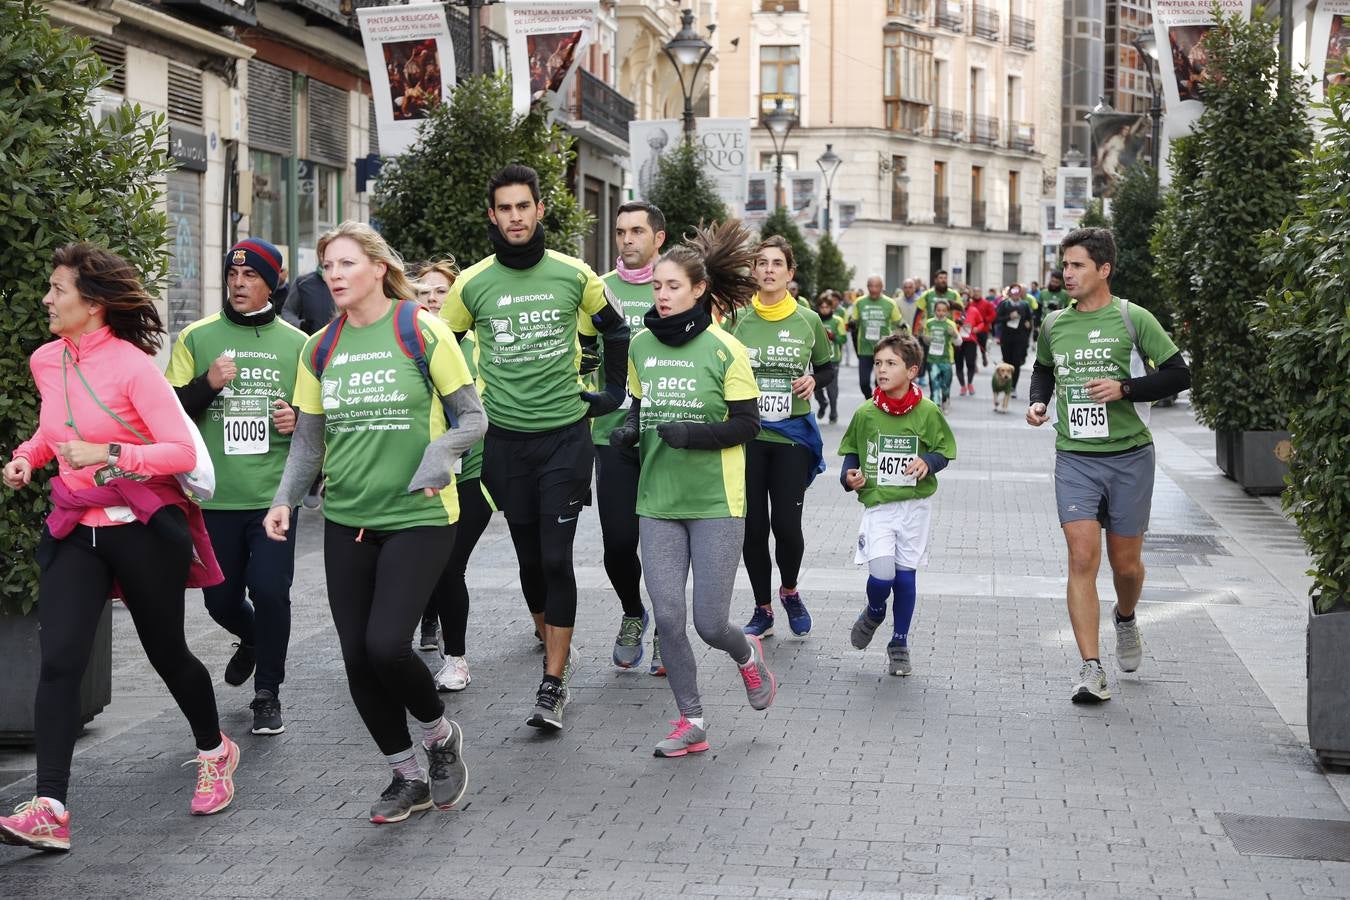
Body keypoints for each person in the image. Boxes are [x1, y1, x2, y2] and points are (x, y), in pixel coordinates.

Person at [1, 244, 237, 852]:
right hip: (78, 526)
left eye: (58, 289)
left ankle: (215, 749)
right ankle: (50, 806)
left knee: (166, 653)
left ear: (94, 303)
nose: (47, 300)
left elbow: (179, 453)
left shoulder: (134, 368)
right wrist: (30, 456)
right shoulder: (46, 361)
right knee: (59, 661)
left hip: (141, 526)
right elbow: (55, 429)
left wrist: (112, 455)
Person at [263, 222, 482, 822]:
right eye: (327, 265)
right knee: (357, 658)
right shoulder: (321, 348)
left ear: (378, 269)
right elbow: (309, 443)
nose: (333, 275)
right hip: (348, 517)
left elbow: (472, 418)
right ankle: (404, 774)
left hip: (420, 514)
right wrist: (284, 498)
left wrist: (439, 457)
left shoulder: (420, 329)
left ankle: (439, 736)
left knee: (388, 645)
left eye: (345, 264)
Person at [440, 164, 631, 730]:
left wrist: (611, 393)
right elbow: (440, 348)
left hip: (565, 439)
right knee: (529, 560)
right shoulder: (471, 284)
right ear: (492, 216)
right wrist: (454, 417)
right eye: (505, 208)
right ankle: (551, 642)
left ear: (540, 210)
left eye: (525, 206)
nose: (516, 217)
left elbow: (615, 330)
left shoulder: (575, 275)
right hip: (503, 444)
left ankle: (553, 681)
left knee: (555, 557)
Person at [607, 220, 777, 758]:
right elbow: (638, 406)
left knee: (708, 622)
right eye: (656, 286)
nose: (661, 295)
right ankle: (691, 719)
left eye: (672, 286)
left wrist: (692, 436)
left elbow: (748, 425)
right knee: (669, 617)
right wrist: (628, 430)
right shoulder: (640, 345)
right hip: (657, 501)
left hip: (715, 502)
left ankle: (747, 656)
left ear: (699, 289)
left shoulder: (726, 349)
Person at [1026, 228, 1190, 703]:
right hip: (1075, 454)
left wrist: (1126, 389)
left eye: (1077, 265)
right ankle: (1090, 669)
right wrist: (1039, 403)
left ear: (1104, 269)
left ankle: (1126, 617)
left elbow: (1179, 373)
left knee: (1127, 565)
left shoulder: (1132, 317)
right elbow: (1043, 368)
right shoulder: (1055, 323)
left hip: (1129, 456)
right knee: (1081, 557)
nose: (1066, 273)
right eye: (1065, 265)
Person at [165, 238, 307, 735]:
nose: (239, 284)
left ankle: (267, 692)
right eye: (232, 276)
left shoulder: (298, 345)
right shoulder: (199, 337)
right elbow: (169, 414)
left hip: (274, 498)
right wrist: (208, 383)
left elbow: (319, 418)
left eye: (250, 277)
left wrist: (297, 419)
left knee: (271, 592)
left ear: (271, 282)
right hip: (215, 498)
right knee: (220, 601)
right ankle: (251, 639)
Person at [729, 236, 836, 639]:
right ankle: (763, 609)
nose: (769, 270)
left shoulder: (808, 320)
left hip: (791, 435)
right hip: (748, 435)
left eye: (777, 264)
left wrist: (813, 379)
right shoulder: (737, 318)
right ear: (753, 271)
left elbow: (827, 368)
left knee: (787, 527)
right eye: (762, 263)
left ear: (791, 273)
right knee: (753, 528)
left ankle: (789, 590)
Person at [840, 333, 956, 677]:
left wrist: (928, 463)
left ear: (912, 370)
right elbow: (850, 458)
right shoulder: (865, 412)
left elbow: (943, 451)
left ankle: (899, 642)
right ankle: (875, 610)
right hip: (878, 506)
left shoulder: (928, 411)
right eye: (878, 363)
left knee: (905, 576)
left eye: (891, 363)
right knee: (882, 575)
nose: (881, 370)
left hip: (914, 507)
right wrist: (850, 478)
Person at [589, 200, 666, 673]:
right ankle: (634, 612)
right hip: (612, 431)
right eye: (620, 232)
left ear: (659, 237)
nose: (627, 240)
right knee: (618, 542)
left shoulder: (674, 287)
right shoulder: (597, 291)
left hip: (665, 435)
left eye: (637, 231)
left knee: (661, 544)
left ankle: (667, 629)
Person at [413, 259, 496, 693]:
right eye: (422, 291)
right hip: (423, 475)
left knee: (449, 566)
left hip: (472, 475)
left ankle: (457, 659)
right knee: (424, 565)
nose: (430, 298)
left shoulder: (475, 345)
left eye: (440, 291)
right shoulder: (405, 345)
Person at [847, 275, 903, 398]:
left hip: (883, 349)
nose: (873, 289)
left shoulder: (890, 303)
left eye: (876, 286)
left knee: (880, 382)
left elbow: (899, 322)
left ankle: (879, 403)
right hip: (865, 348)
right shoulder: (860, 302)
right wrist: (852, 322)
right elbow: (854, 320)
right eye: (871, 286)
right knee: (864, 382)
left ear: (882, 288)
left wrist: (903, 331)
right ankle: (870, 399)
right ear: (867, 287)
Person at [918, 271, 960, 387]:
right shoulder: (927, 294)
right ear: (935, 280)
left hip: (947, 334)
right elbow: (919, 312)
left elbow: (962, 312)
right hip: (931, 332)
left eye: (945, 278)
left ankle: (944, 389)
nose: (943, 280)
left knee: (946, 369)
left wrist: (958, 328)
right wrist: (916, 329)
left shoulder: (954, 295)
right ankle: (931, 385)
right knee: (930, 362)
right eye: (940, 278)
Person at [813, 290, 848, 423]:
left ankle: (833, 412)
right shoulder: (814, 319)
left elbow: (843, 339)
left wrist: (833, 336)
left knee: (832, 387)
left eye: (827, 307)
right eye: (822, 307)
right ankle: (822, 403)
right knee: (815, 386)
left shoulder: (837, 320)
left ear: (831, 308)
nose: (824, 309)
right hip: (815, 358)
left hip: (833, 358)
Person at [994, 283, 1034, 396]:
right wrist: (1009, 317)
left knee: (1016, 362)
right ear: (1010, 293)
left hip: (1020, 338)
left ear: (1020, 293)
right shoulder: (1004, 304)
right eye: (1013, 292)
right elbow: (997, 319)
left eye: (1018, 292)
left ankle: (1013, 387)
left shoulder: (1024, 305)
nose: (1016, 294)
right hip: (1006, 337)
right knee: (1007, 361)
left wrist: (1028, 326)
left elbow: (1029, 319)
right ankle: (1005, 383)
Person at [923, 299, 961, 411]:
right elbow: (925, 340)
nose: (941, 313)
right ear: (934, 310)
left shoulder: (951, 324)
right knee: (934, 384)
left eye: (944, 311)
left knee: (945, 385)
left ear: (948, 312)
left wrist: (954, 334)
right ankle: (935, 407)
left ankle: (945, 400)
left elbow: (958, 342)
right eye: (938, 310)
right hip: (933, 359)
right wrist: (926, 338)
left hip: (946, 359)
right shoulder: (929, 323)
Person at [282, 266, 338, 336]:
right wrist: (300, 324)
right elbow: (287, 311)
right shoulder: (302, 282)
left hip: (340, 342)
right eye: (321, 254)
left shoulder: (346, 282)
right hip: (310, 343)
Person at [953, 293, 985, 397]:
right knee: (959, 364)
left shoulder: (974, 310)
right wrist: (956, 324)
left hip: (971, 340)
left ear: (969, 301)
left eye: (966, 300)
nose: (964, 302)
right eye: (962, 300)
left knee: (970, 363)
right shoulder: (955, 312)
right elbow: (950, 323)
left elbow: (981, 323)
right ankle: (962, 386)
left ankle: (970, 383)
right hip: (958, 341)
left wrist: (977, 329)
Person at [972, 289, 999, 367]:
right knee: (972, 348)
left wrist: (986, 320)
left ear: (981, 293)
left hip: (983, 329)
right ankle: (974, 363)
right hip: (973, 329)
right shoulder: (971, 303)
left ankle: (984, 355)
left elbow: (993, 314)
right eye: (975, 292)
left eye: (978, 292)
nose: (976, 294)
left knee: (982, 346)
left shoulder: (987, 303)